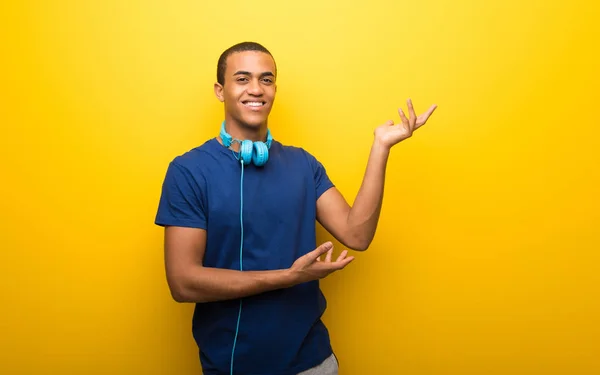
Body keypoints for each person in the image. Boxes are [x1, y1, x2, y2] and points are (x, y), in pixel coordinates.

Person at [155, 41, 437, 375]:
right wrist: (288, 277)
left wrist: (381, 148)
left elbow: (357, 234)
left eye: (267, 79)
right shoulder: (189, 171)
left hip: (314, 363)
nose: (256, 89)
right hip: (234, 366)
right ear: (220, 90)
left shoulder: (304, 164)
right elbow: (183, 282)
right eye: (242, 79)